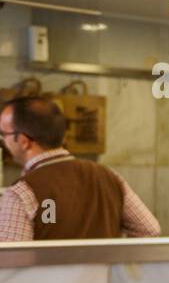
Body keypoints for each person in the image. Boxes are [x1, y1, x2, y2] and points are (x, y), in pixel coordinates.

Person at [0, 96, 160, 241]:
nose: (3, 141)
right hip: (105, 273)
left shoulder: (21, 192)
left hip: (49, 274)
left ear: (23, 141)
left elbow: (10, 260)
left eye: (4, 134)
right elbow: (149, 230)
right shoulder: (109, 176)